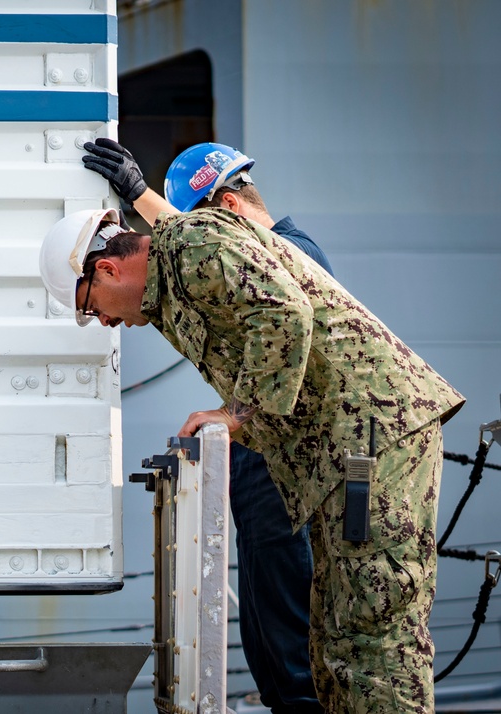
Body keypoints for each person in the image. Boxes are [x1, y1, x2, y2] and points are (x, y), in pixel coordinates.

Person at [41, 138, 464, 712]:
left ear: (108, 268)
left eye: (92, 307)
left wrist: (236, 414)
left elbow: (285, 310)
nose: (106, 322)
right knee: (333, 638)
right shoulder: (174, 283)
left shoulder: (192, 243)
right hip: (337, 455)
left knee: (372, 629)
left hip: (370, 442)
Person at [158, 142, 330, 712]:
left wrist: (235, 417)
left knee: (287, 623)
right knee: (265, 613)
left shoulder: (292, 253)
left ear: (229, 207)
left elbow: (284, 315)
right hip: (262, 462)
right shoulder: (270, 251)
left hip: (283, 465)